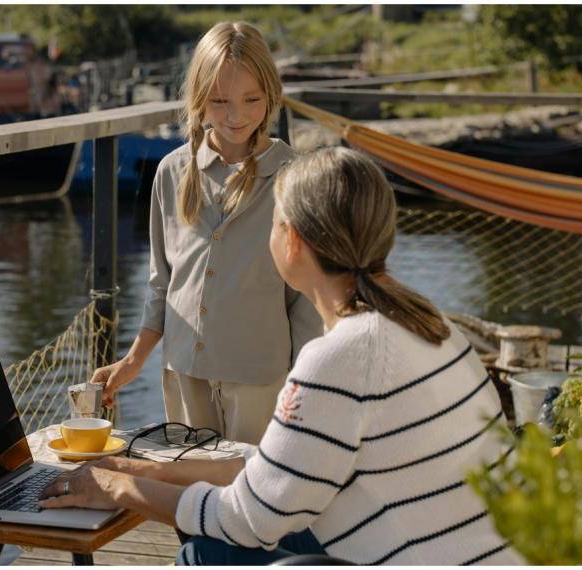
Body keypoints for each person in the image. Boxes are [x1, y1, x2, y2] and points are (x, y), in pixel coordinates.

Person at [41, 147, 523, 565]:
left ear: (292, 241)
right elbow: (283, 465)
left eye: (272, 221)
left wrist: (114, 490)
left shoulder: (338, 360)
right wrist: (142, 470)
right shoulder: (430, 325)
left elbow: (244, 520)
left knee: (204, 551)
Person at [90, 21, 321, 445]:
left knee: (254, 498)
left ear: (271, 95)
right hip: (183, 374)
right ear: (198, 99)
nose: (237, 116)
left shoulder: (296, 180)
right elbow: (162, 282)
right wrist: (133, 360)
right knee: (191, 496)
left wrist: (305, 383)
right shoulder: (170, 172)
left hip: (260, 379)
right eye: (219, 101)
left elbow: (306, 299)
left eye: (251, 99)